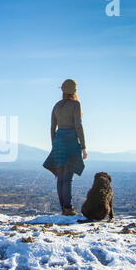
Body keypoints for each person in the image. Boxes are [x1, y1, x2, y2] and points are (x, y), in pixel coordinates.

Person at [43, 79, 87, 216]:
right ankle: (68, 209)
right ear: (74, 90)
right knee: (68, 178)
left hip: (58, 141)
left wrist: (54, 144)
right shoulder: (76, 104)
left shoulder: (56, 106)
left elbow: (52, 127)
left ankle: (64, 208)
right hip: (70, 141)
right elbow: (78, 126)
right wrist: (84, 146)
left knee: (60, 176)